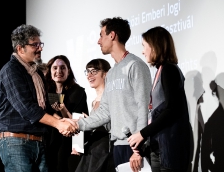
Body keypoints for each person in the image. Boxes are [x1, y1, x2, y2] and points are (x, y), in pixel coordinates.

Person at [73, 17, 152, 169]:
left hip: (135, 147)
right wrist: (77, 125)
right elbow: (104, 112)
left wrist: (138, 149)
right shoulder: (112, 72)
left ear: (112, 35)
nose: (98, 41)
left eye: (101, 35)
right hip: (117, 146)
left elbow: (144, 107)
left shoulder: (135, 65)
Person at [0, 24, 77, 172]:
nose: (40, 48)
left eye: (40, 44)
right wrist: (59, 125)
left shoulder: (37, 73)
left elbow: (43, 108)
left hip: (39, 142)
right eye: (35, 45)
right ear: (20, 48)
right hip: (17, 143)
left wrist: (63, 120)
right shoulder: (11, 71)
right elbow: (27, 109)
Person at [127, 26, 192, 172]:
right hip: (159, 147)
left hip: (169, 148)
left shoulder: (169, 70)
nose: (143, 51)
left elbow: (172, 109)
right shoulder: (161, 70)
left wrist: (142, 134)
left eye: (144, 46)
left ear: (155, 46)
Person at [44, 55, 89, 172]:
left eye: (63, 68)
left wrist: (63, 109)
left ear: (68, 71)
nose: (59, 71)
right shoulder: (45, 92)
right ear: (50, 71)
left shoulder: (78, 92)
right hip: (47, 142)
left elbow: (78, 121)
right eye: (55, 68)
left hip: (69, 143)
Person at [72, 58, 116, 172]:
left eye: (94, 71)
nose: (89, 75)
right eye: (88, 71)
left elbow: (111, 124)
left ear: (106, 74)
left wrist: (90, 122)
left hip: (105, 149)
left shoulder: (112, 97)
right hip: (94, 148)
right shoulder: (94, 101)